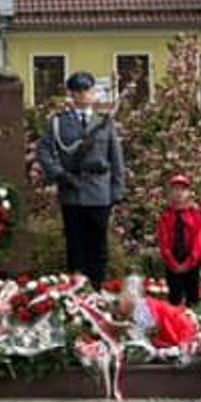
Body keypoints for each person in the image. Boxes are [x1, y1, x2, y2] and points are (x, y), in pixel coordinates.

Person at [36, 71, 127, 284]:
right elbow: (44, 151)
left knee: (99, 246)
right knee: (75, 246)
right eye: (78, 91)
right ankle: (78, 290)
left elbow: (116, 157)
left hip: (99, 191)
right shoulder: (59, 123)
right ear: (72, 94)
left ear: (93, 93)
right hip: (72, 191)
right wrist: (59, 174)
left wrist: (117, 190)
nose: (83, 95)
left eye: (87, 90)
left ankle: (97, 288)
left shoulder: (104, 122)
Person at [154, 175, 201, 307]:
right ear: (170, 193)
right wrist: (173, 264)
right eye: (175, 189)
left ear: (188, 193)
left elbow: (199, 241)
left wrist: (189, 262)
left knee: (193, 298)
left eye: (182, 189)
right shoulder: (166, 216)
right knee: (175, 297)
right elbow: (164, 242)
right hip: (173, 261)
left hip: (191, 261)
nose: (179, 193)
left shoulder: (195, 215)